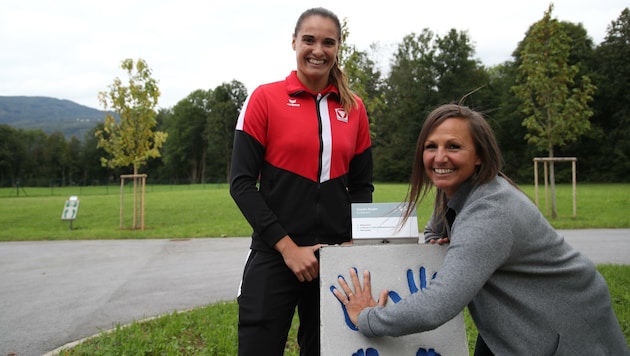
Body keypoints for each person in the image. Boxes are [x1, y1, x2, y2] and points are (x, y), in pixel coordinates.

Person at [333, 104, 629, 355]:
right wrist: (441, 240)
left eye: (453, 146)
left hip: (562, 327)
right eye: (430, 146)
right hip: (508, 325)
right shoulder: (455, 187)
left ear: (479, 156)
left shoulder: (490, 212)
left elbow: (436, 306)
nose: (439, 158)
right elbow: (435, 228)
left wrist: (367, 318)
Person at [229, 7, 374, 356]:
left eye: (328, 42)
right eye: (309, 39)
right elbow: (242, 184)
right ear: (294, 42)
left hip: (334, 258)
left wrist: (354, 241)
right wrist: (288, 248)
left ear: (338, 47)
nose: (317, 50)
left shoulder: (354, 108)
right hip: (275, 254)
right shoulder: (265, 98)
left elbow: (361, 187)